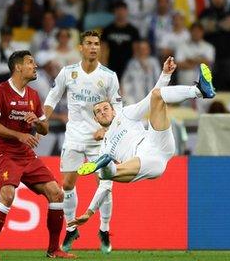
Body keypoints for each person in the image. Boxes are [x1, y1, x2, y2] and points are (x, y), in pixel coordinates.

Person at [68, 59, 215, 227]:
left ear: (113, 109)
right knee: (104, 176)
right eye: (98, 112)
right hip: (145, 161)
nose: (103, 112)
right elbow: (104, 188)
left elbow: (150, 98)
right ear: (95, 119)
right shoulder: (104, 146)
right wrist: (89, 212)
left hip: (157, 142)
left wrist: (165, 74)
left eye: (105, 108)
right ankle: (103, 166)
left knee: (157, 96)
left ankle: (200, 90)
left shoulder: (126, 114)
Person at [0, 50, 75, 259]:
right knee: (7, 194)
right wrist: (19, 135)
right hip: (4, 153)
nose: (35, 66)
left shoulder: (32, 95)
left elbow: (44, 129)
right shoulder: (0, 91)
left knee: (56, 193)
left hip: (26, 155)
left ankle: (53, 249)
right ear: (18, 67)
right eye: (30, 63)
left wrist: (38, 121)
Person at [43, 31, 121, 254]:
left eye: (97, 44)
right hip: (75, 137)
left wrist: (105, 128)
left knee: (105, 184)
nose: (93, 47)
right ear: (81, 47)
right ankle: (70, 228)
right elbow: (53, 96)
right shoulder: (68, 73)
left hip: (100, 139)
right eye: (89, 43)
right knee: (67, 184)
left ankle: (104, 230)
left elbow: (119, 108)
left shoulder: (108, 76)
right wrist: (43, 118)